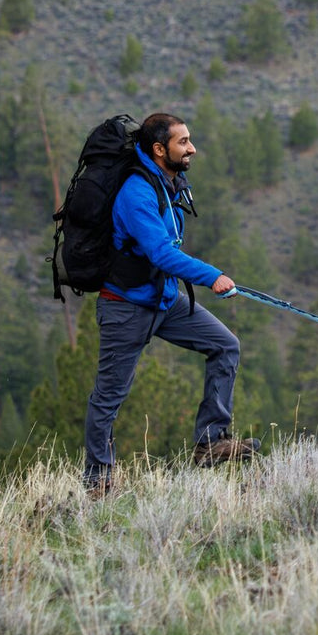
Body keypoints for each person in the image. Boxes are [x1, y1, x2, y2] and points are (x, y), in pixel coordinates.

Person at [83, 112, 258, 496]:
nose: (192, 147)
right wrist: (212, 276)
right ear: (159, 149)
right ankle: (97, 483)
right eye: (183, 142)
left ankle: (210, 443)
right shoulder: (137, 192)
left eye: (190, 140)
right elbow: (161, 253)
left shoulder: (172, 183)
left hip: (164, 300)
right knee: (108, 397)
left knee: (225, 346)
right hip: (125, 308)